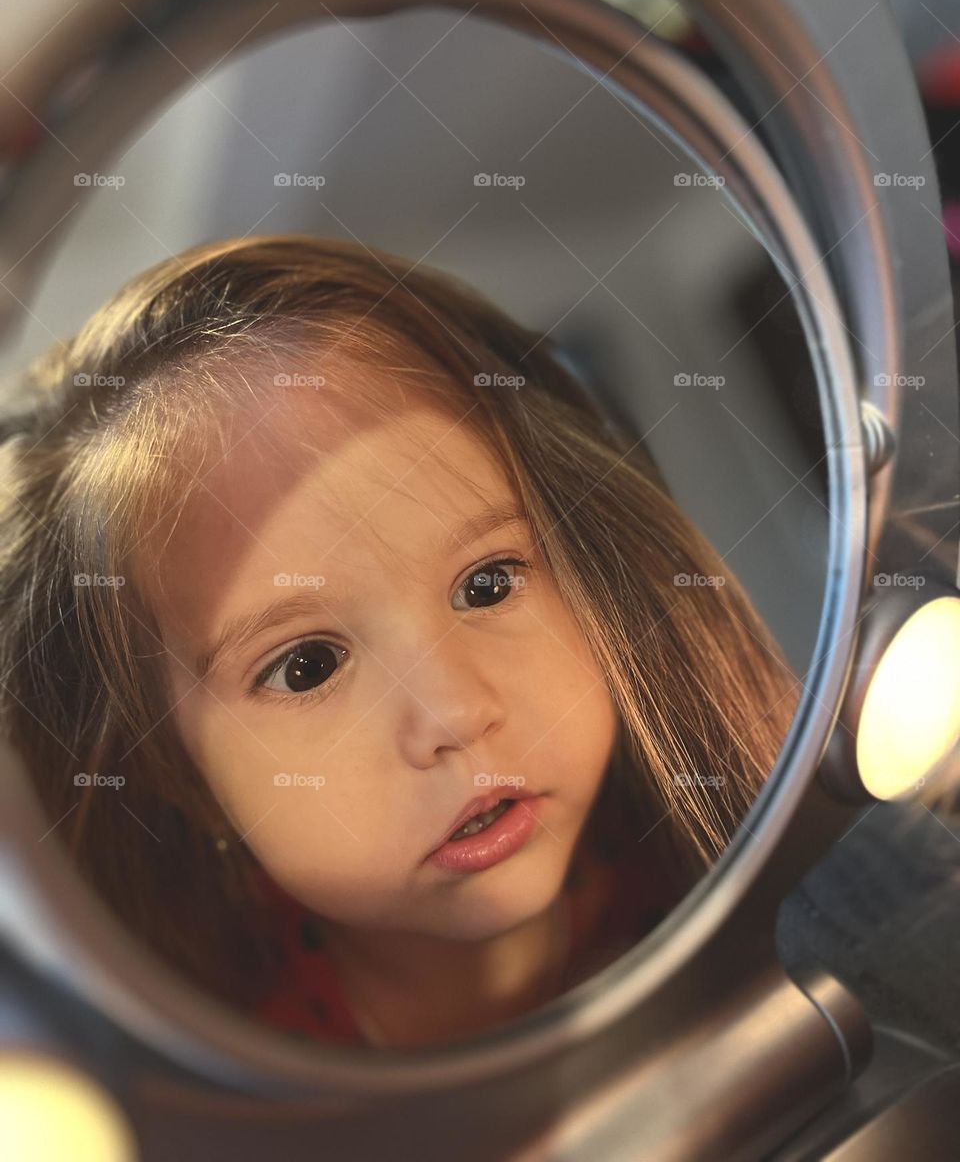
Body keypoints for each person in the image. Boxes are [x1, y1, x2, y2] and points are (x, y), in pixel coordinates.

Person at [0, 235, 797, 1049]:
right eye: (306, 666)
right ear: (183, 778)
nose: (453, 712)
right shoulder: (230, 1087)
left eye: (487, 583)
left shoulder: (737, 864)